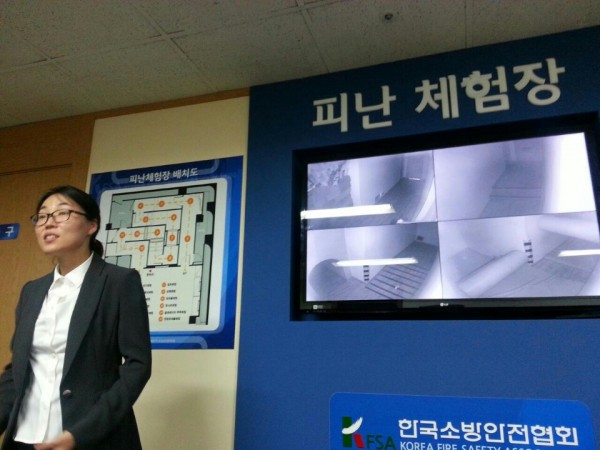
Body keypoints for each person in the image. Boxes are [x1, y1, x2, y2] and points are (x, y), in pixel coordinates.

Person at [0, 185, 152, 450]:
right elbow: (19, 370)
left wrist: (82, 432)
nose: (48, 223)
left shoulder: (119, 282)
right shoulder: (32, 291)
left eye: (61, 213)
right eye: (42, 216)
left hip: (90, 438)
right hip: (25, 438)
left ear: (91, 225)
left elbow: (137, 366)